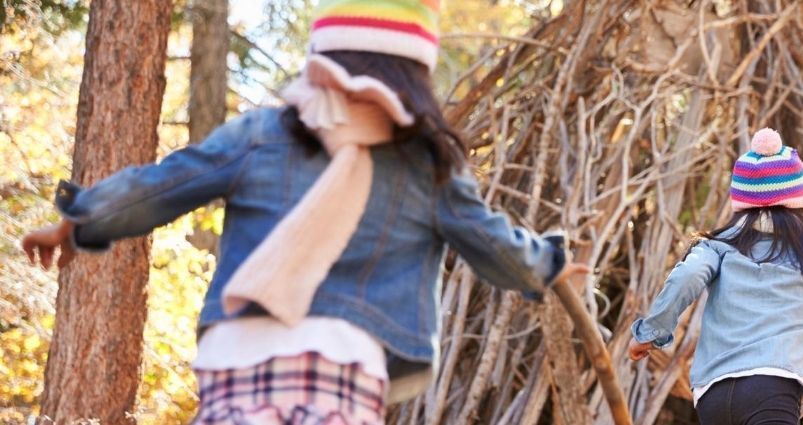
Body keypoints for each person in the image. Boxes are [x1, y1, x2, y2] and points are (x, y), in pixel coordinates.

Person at [20, 0, 585, 422]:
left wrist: (77, 220)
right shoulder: (427, 166)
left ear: (324, 55)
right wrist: (550, 265)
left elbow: (165, 184)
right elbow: (494, 246)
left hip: (233, 357)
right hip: (341, 363)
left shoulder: (263, 134)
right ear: (415, 71)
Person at [626, 128, 803, 425]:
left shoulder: (718, 246)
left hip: (713, 392)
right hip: (774, 389)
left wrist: (650, 333)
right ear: (798, 199)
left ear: (740, 201)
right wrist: (791, 342)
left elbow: (688, 274)